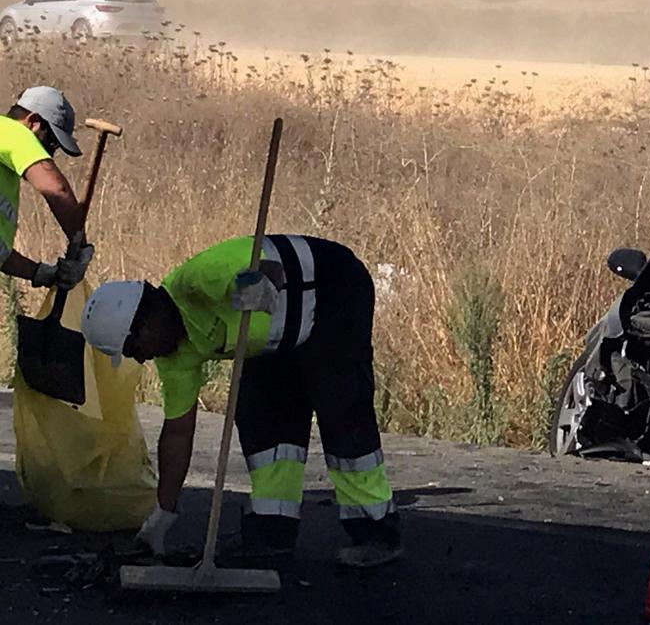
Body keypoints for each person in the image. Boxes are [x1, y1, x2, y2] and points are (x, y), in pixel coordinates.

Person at [80, 234, 402, 568]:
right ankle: (272, 530)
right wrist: (163, 514)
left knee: (342, 406)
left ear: (143, 323)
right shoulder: (175, 357)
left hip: (332, 290)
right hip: (275, 337)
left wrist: (260, 282)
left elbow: (267, 265)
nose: (142, 359)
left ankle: (376, 532)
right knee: (262, 417)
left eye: (133, 349)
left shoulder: (198, 280)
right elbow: (177, 432)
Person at [0, 85, 93, 290]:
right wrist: (81, 245)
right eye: (50, 143)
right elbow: (57, 190)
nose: (49, 154)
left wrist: (39, 273)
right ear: (33, 122)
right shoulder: (13, 132)